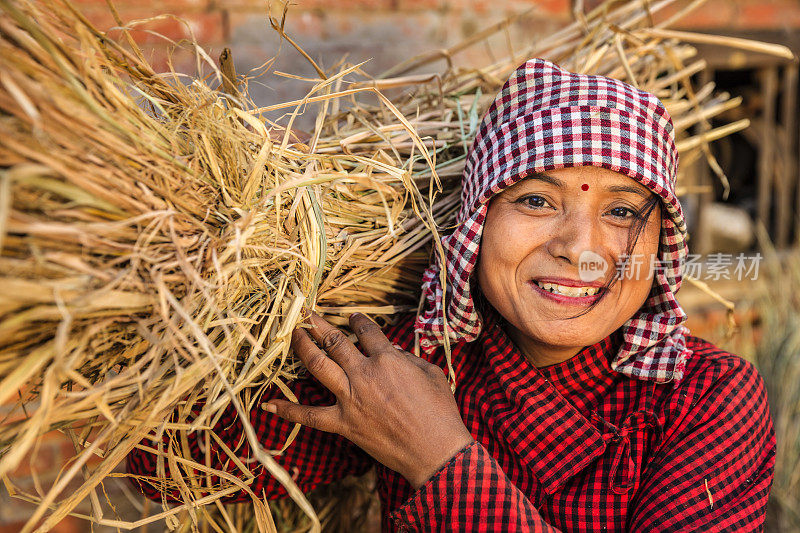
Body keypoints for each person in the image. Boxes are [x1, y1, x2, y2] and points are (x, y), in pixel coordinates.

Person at [126, 58, 776, 532]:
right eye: (535, 200)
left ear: (663, 241)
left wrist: (437, 454)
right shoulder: (413, 363)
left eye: (623, 211)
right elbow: (178, 467)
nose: (580, 247)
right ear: (476, 222)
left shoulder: (709, 398)